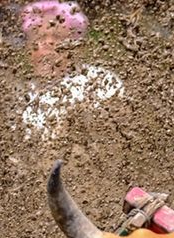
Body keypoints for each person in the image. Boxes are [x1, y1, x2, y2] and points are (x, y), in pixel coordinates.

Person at [19, 1, 123, 142]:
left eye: (57, 38)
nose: (48, 46)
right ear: (29, 48)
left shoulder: (100, 82)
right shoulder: (23, 96)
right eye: (40, 38)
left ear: (75, 46)